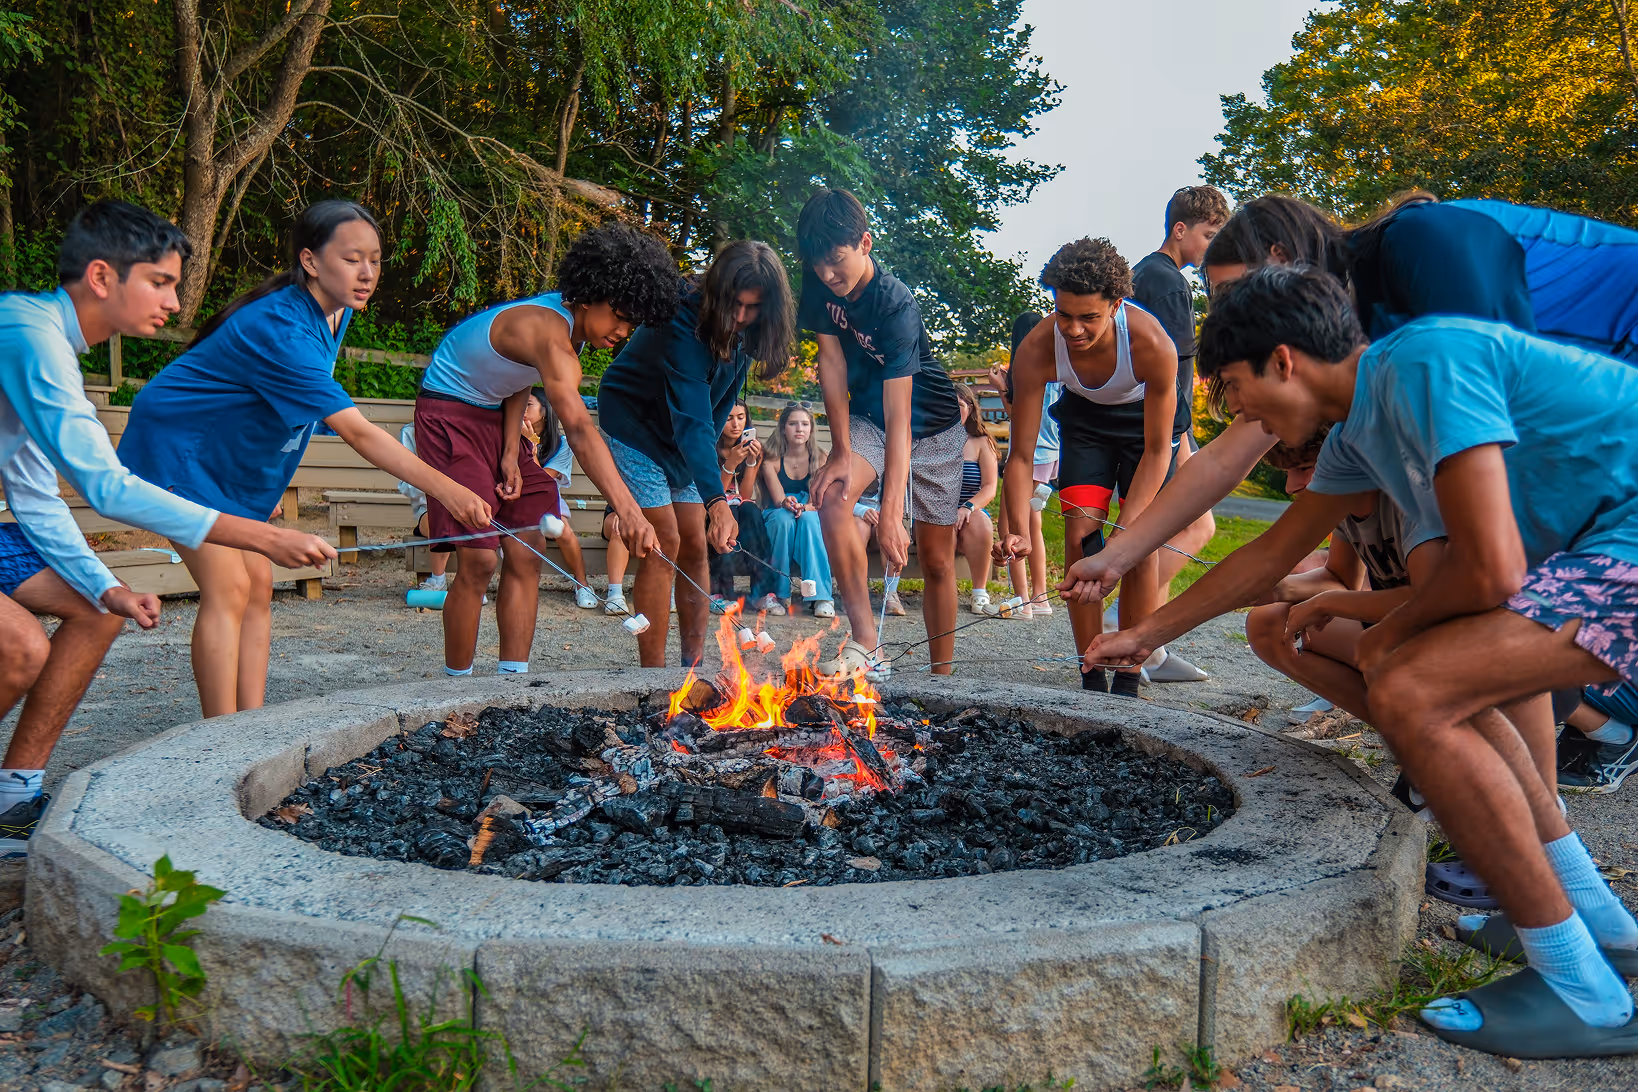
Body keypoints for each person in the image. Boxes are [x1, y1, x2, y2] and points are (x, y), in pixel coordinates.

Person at [1083, 265, 1638, 1056]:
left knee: (1415, 686)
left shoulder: (1424, 361)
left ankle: (1582, 992)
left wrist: (1389, 633)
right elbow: (1273, 553)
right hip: (1601, 546)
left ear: (1284, 360)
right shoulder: (1358, 430)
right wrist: (1146, 631)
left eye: (1233, 388)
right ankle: (1601, 929)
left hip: (1624, 531)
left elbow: (1490, 572)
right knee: (1435, 684)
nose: (1236, 411)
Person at [0, 200, 336, 854]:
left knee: (98, 611)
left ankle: (15, 791)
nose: (177, 303)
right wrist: (259, 535)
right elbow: (107, 487)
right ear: (102, 277)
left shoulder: (48, 349)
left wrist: (106, 586)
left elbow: (36, 496)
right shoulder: (28, 336)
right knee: (19, 647)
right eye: (161, 282)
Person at [118, 200, 486, 717]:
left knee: (259, 585)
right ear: (311, 262)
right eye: (351, 259)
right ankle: (220, 741)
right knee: (229, 586)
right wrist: (449, 489)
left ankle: (251, 724)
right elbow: (359, 434)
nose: (366, 274)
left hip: (228, 458)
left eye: (375, 260)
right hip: (177, 451)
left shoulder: (333, 312)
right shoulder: (283, 329)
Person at [415, 223, 672, 678]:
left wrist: (511, 449)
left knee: (529, 545)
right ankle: (456, 687)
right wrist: (628, 510)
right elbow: (578, 428)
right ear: (591, 292)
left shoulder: (570, 327)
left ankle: (512, 683)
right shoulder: (552, 336)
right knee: (478, 556)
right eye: (619, 316)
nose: (623, 331)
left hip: (495, 416)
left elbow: (517, 378)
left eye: (632, 322)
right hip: (448, 413)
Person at [596, 240, 795, 664]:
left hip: (684, 435)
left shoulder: (750, 330)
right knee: (664, 539)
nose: (741, 318)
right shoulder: (681, 318)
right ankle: (653, 677)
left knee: (693, 541)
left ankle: (693, 671)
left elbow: (715, 410)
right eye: (736, 306)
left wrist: (713, 494)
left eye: (753, 309)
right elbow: (692, 420)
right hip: (635, 423)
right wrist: (717, 501)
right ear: (719, 292)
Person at [796, 189, 965, 679]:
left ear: (865, 243)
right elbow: (830, 363)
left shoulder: (896, 305)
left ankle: (944, 677)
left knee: (935, 560)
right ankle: (867, 643)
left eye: (835, 260)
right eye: (817, 264)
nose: (827, 274)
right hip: (870, 422)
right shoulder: (819, 283)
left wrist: (891, 512)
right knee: (831, 497)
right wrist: (842, 451)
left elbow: (903, 413)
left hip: (931, 426)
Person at [999, 238, 1178, 697]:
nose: (1073, 330)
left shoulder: (1152, 343)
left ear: (1116, 304)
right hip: (1087, 426)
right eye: (1064, 314)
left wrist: (1124, 539)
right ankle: (1091, 672)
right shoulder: (1040, 346)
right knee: (1081, 537)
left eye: (1089, 318)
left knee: (1138, 548)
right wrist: (1017, 526)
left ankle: (1129, 675)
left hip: (1145, 434)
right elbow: (1020, 457)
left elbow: (1160, 451)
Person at [1130, 186, 1228, 608]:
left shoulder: (1146, 273)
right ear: (1180, 229)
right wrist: (1179, 433)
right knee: (1196, 527)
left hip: (1160, 420)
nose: (1212, 247)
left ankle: (1150, 646)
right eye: (1209, 236)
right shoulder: (1168, 284)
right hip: (1168, 422)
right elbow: (1170, 370)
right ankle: (1124, 617)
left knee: (1167, 529)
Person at [989, 311, 1060, 619]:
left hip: (1028, 455)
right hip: (1051, 454)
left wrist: (999, 386)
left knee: (1010, 527)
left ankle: (1023, 601)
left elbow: (1018, 415)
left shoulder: (1026, 367)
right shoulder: (1058, 367)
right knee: (1033, 525)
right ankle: (1040, 597)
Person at [759, 402, 835, 617]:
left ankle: (821, 596)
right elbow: (777, 499)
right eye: (793, 424)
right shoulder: (771, 461)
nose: (799, 429)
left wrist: (806, 507)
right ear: (783, 428)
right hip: (779, 511)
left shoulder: (821, 458)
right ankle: (779, 593)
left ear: (811, 429)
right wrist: (789, 503)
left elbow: (818, 501)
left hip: (811, 509)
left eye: (804, 424)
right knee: (784, 519)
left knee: (809, 520)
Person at [522, 389, 595, 609]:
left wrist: (531, 451)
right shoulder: (510, 437)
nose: (522, 411)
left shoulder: (561, 444)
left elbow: (543, 483)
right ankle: (519, 587)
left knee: (564, 530)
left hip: (547, 500)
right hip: (517, 499)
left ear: (545, 411)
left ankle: (582, 584)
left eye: (528, 405)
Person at [708, 401, 778, 611]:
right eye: (729, 418)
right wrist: (730, 464)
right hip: (710, 507)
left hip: (738, 508)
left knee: (750, 509)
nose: (736, 424)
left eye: (741, 417)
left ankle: (761, 592)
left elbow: (745, 495)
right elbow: (713, 494)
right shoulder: (709, 447)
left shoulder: (753, 449)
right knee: (728, 512)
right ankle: (720, 592)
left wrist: (750, 463)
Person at [950, 384, 999, 613]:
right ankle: (944, 589)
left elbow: (990, 487)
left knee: (981, 522)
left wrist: (968, 507)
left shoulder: (981, 442)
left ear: (970, 409)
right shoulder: (928, 440)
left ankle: (979, 592)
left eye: (959, 405)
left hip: (970, 508)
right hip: (937, 509)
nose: (953, 410)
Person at [395, 420, 452, 593]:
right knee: (439, 519)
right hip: (427, 506)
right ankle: (438, 580)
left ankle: (469, 585)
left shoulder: (464, 428)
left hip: (463, 504)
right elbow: (407, 482)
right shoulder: (411, 431)